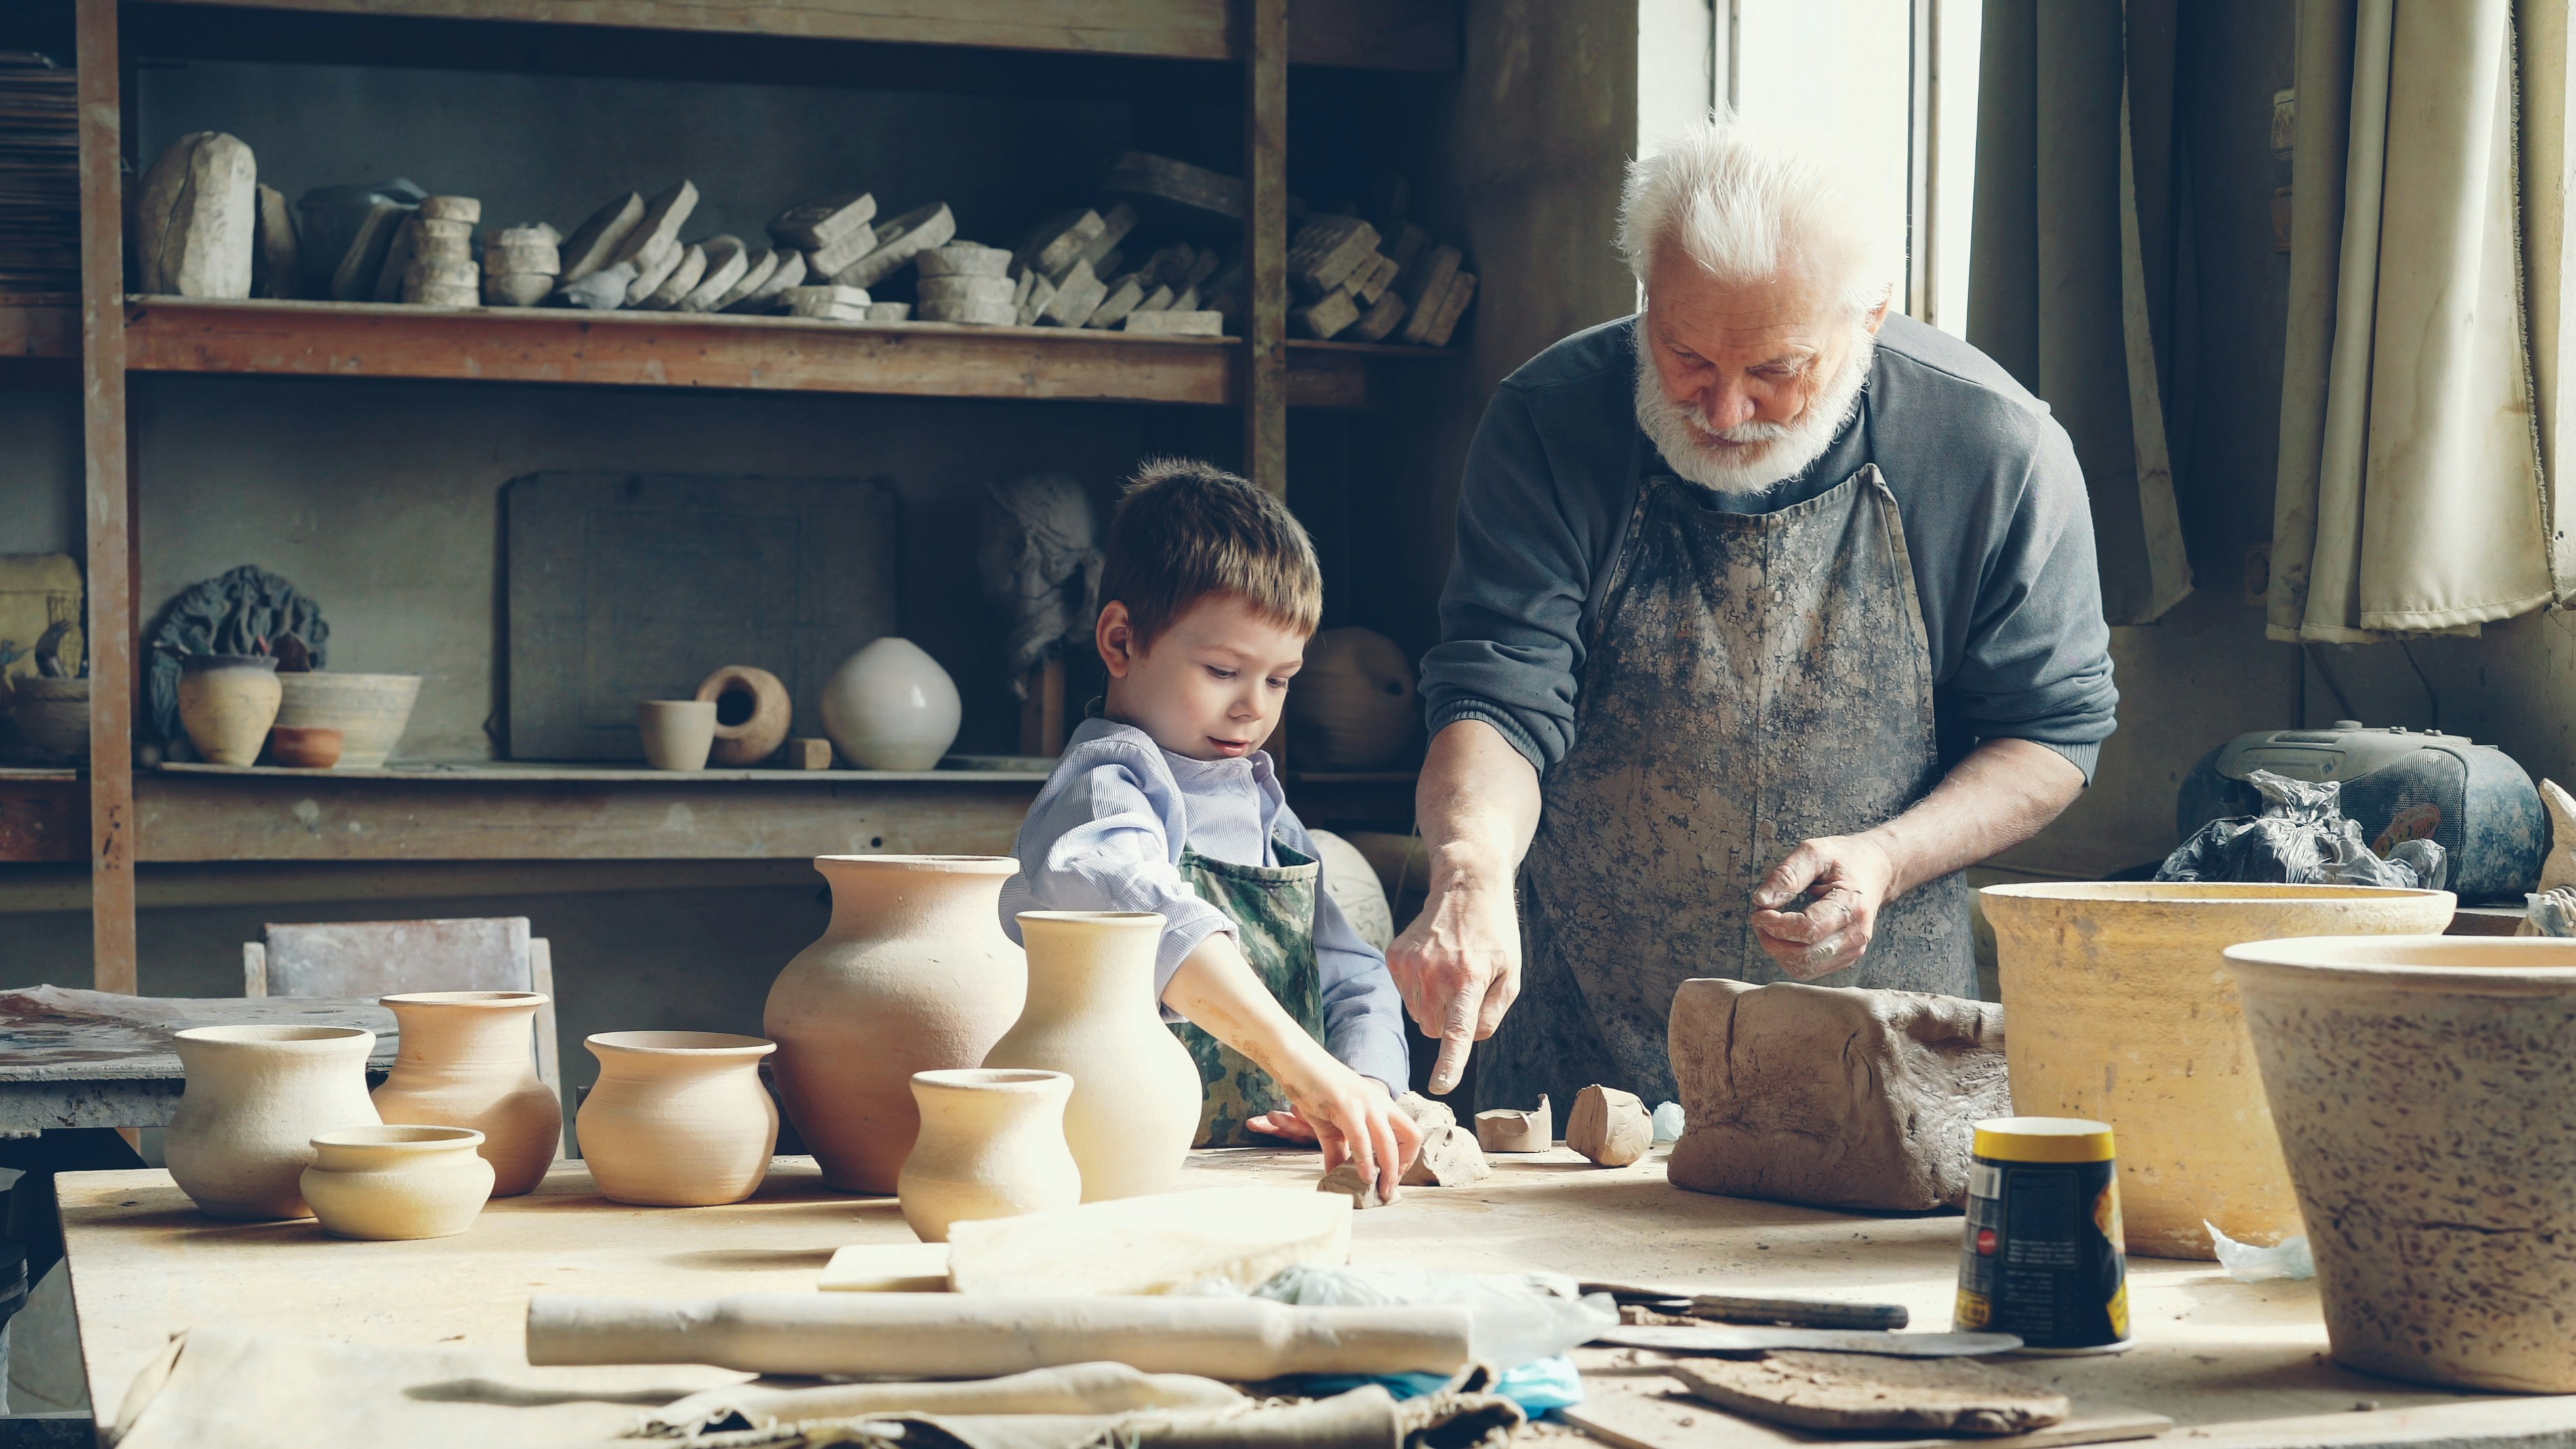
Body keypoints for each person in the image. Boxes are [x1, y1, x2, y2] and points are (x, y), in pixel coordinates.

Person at [1390, 120, 2120, 1114]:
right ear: (1646, 291)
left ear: (1871, 319)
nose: (1723, 410)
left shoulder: (1997, 450)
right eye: (1684, 353)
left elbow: (2052, 731)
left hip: (1879, 1045)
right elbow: (1497, 694)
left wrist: (1888, 856)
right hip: (1580, 1036)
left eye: (1776, 370)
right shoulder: (1550, 419)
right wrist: (1469, 868)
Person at [1002, 459, 1422, 1196]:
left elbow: (1352, 976)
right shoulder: (1106, 791)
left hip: (1267, 1171)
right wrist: (1302, 1064)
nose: (1252, 707)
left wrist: (1361, 1084)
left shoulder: (1268, 810)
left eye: (1279, 678)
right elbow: (1149, 915)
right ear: (1121, 641)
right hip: (1121, 1172)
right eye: (1224, 670)